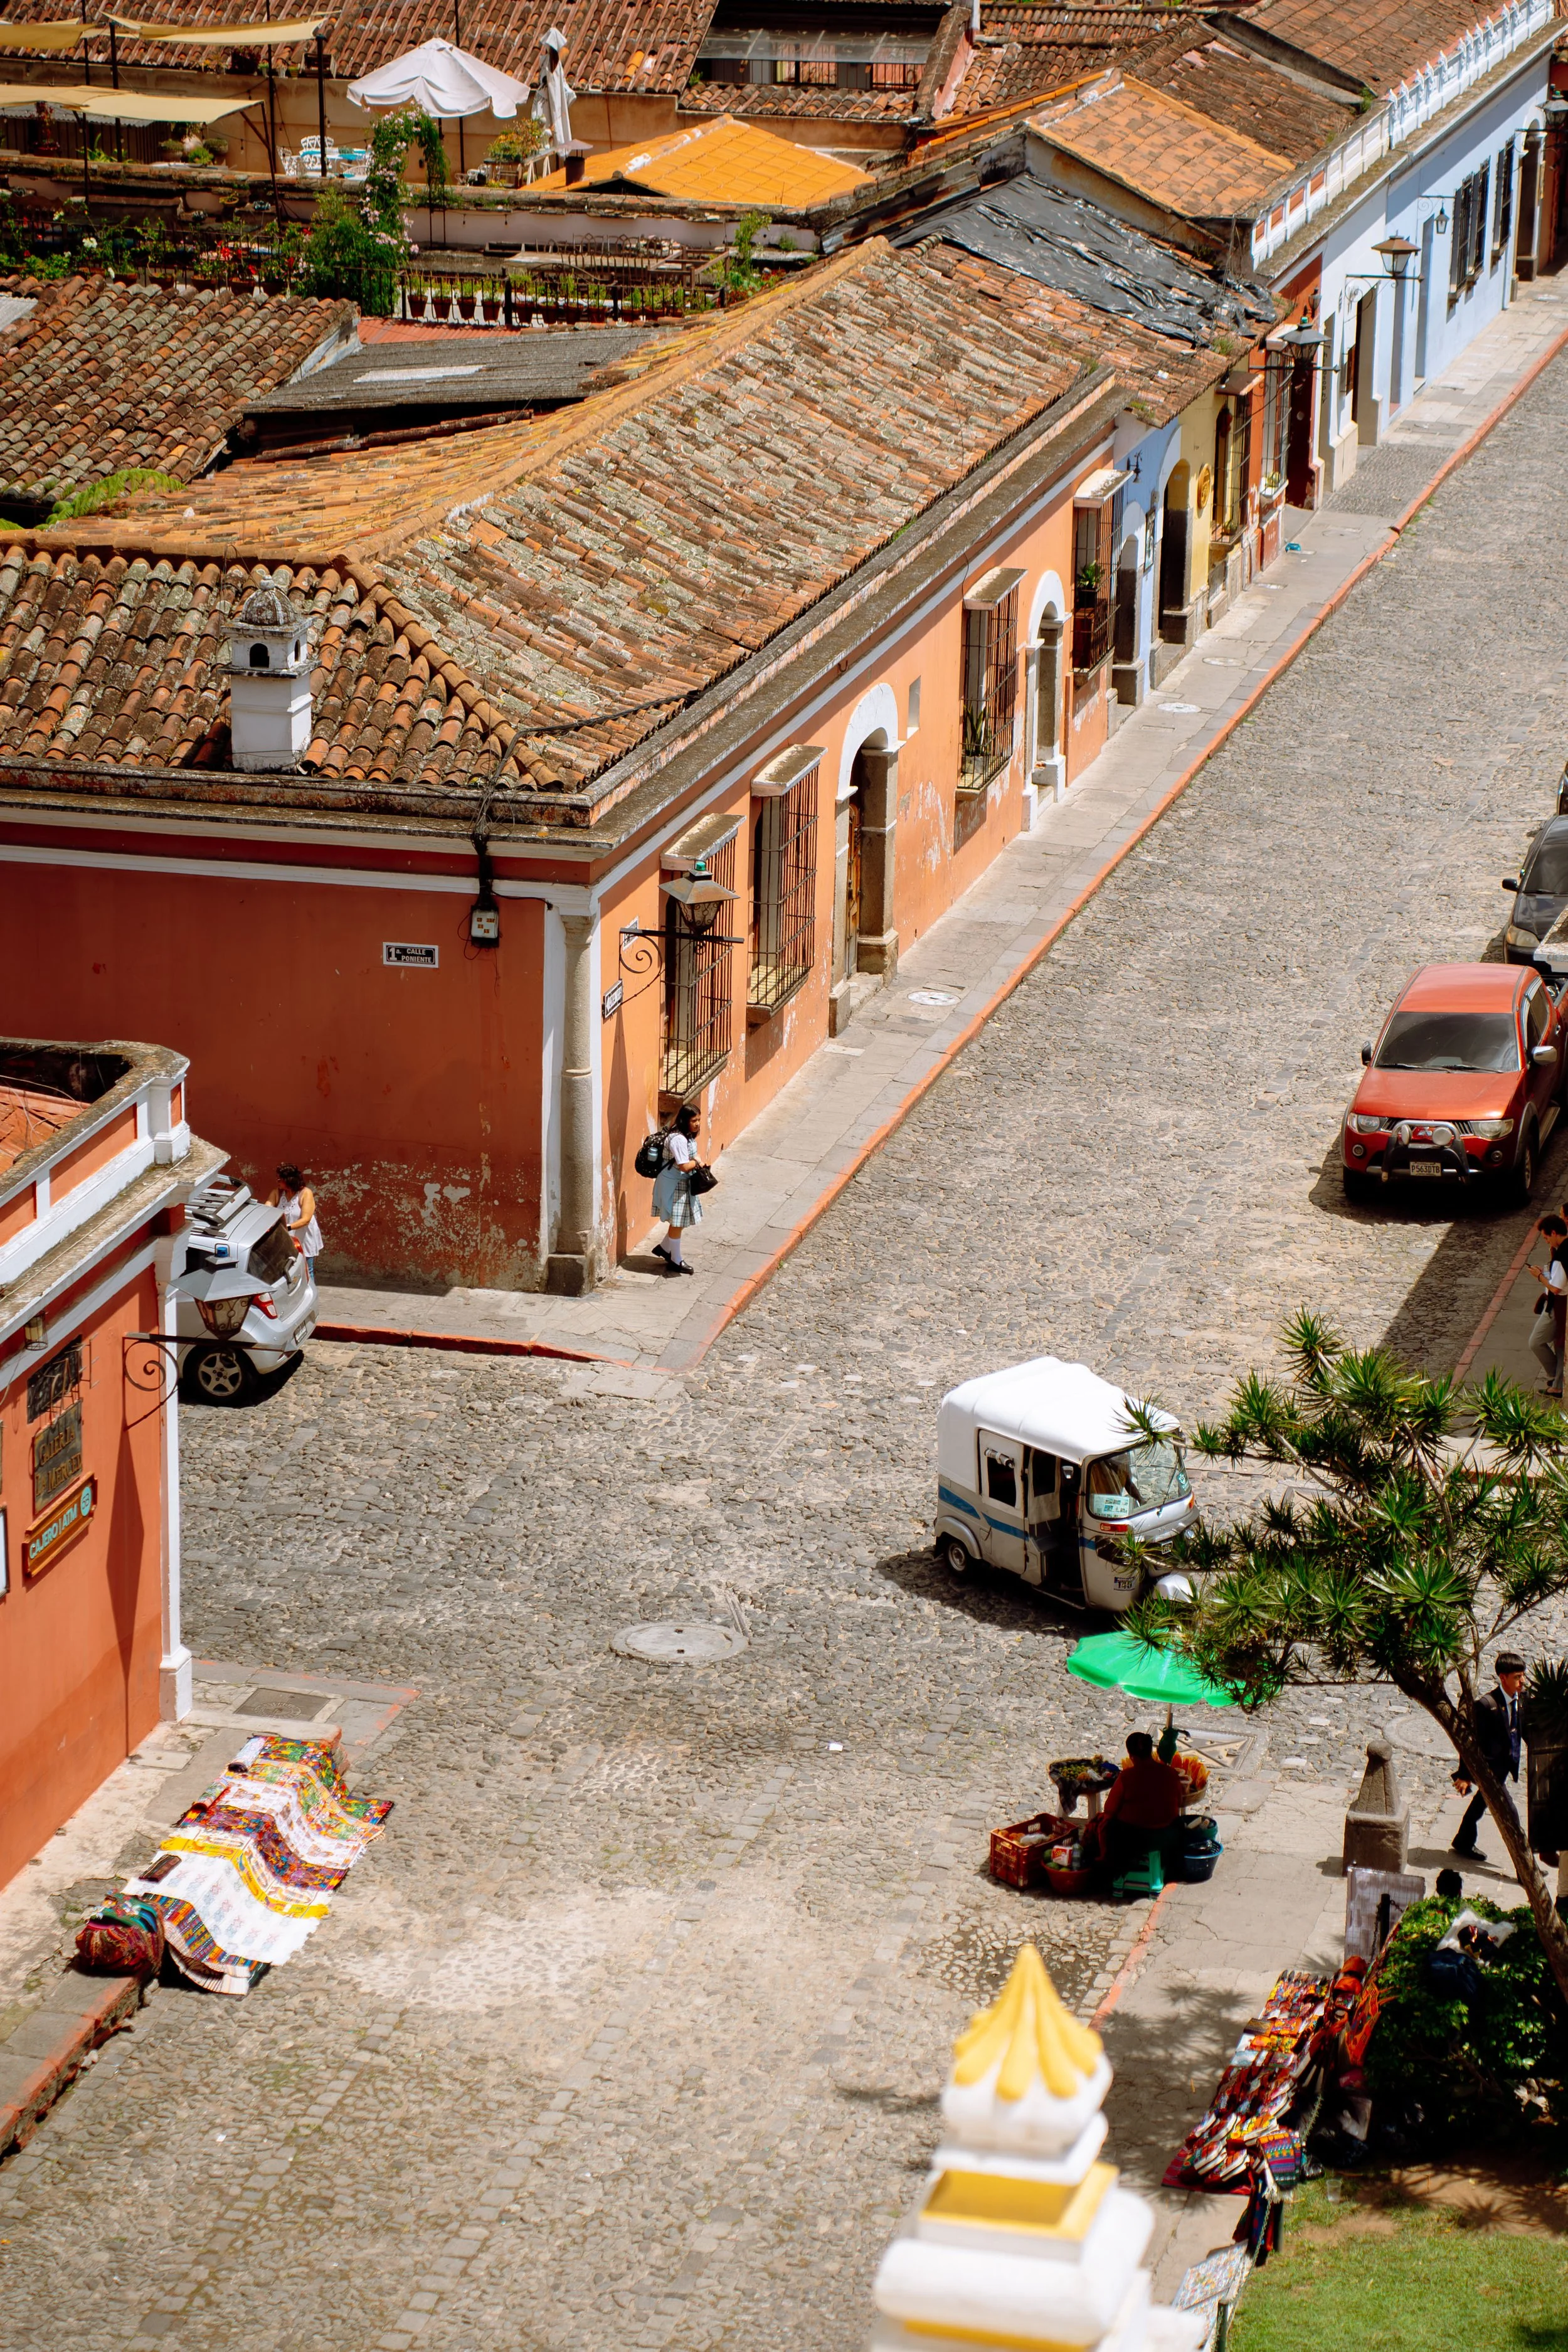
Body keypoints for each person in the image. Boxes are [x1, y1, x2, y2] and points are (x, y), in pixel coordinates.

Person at [1451, 1650, 1526, 1863]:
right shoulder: (1487, 1706)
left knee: (1480, 1803)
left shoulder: (1522, 1699)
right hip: (1490, 1770)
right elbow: (1470, 1743)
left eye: (1523, 1675)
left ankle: (1463, 1840)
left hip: (1505, 1766)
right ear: (1503, 1678)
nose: (1522, 1681)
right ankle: (1524, 1866)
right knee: (1511, 1815)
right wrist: (1465, 1776)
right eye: (1517, 1677)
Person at [1084, 1731, 1187, 1874]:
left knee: (1104, 1823)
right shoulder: (1171, 1773)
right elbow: (1180, 1802)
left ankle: (1105, 1865)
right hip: (1168, 1837)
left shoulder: (1126, 1777)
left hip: (1134, 1840)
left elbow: (1109, 1810)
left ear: (1131, 1756)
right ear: (1151, 1751)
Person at [650, 1104, 702, 1275]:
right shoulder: (679, 1139)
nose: (697, 1124)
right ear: (685, 1120)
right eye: (694, 1120)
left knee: (680, 1221)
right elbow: (684, 1166)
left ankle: (665, 1248)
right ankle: (676, 1260)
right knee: (678, 1222)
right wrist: (697, 1162)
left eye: (699, 1120)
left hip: (681, 1183)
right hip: (675, 1185)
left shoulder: (685, 1135)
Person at [1527, 1216, 1568, 1396]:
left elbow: (1556, 1288)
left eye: (1546, 1237)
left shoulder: (1562, 1256)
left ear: (1554, 1233)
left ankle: (1557, 1379)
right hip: (1559, 1305)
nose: (1546, 1241)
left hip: (1558, 1306)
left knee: (1537, 1342)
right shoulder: (1562, 1250)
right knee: (1559, 1345)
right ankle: (1558, 1382)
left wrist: (1539, 1276)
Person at [268, 1162, 322, 1279]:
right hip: (285, 1238)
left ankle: (310, 1290)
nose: (278, 1181)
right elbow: (267, 1209)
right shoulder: (277, 1193)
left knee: (306, 1270)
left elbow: (305, 1220)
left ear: (289, 1180)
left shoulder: (305, 1193)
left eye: (280, 1179)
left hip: (303, 1237)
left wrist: (285, 1228)